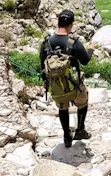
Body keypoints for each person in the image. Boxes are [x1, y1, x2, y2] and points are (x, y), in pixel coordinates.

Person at [39, 9, 96, 147]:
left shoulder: (46, 43)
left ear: (58, 23)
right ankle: (80, 130)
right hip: (74, 84)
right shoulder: (73, 43)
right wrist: (91, 49)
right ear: (71, 25)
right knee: (83, 102)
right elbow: (85, 61)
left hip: (57, 86)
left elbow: (42, 65)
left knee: (62, 107)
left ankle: (66, 136)